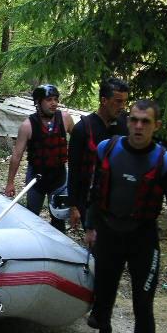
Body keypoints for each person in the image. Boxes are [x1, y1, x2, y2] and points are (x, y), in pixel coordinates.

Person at [84, 99, 167, 333]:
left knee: (143, 307)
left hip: (143, 239)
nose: (139, 126)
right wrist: (90, 226)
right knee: (103, 296)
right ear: (128, 121)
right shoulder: (107, 149)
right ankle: (104, 331)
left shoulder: (165, 163)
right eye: (134, 120)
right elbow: (95, 191)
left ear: (156, 126)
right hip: (108, 234)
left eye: (146, 121)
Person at [5, 84, 75, 231]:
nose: (54, 103)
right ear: (38, 102)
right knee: (32, 216)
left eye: (55, 99)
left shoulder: (65, 119)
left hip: (59, 177)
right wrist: (10, 182)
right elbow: (17, 155)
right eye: (49, 100)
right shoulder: (27, 126)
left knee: (59, 220)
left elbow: (79, 141)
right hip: (36, 178)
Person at [67, 78, 129, 229]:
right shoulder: (82, 129)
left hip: (117, 200)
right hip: (89, 200)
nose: (122, 106)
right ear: (104, 100)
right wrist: (73, 206)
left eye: (125, 102)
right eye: (118, 101)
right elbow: (74, 170)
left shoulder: (125, 125)